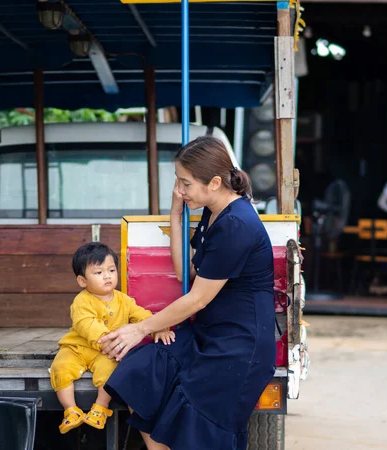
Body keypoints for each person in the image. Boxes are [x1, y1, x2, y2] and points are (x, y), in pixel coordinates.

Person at [98, 136, 276, 450]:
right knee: (139, 373)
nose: (179, 190)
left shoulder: (237, 224)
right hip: (208, 335)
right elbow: (188, 275)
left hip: (238, 347)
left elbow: (198, 298)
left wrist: (139, 327)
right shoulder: (214, 212)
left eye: (185, 183)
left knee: (197, 430)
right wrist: (177, 215)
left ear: (215, 182)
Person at [49, 242, 175, 434]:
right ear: (83, 281)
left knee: (111, 373)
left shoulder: (123, 300)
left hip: (105, 353)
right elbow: (86, 324)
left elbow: (141, 315)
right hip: (77, 348)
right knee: (61, 367)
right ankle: (70, 409)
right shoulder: (82, 301)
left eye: (111, 270)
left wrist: (158, 327)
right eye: (98, 273)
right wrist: (108, 340)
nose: (107, 276)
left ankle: (100, 408)